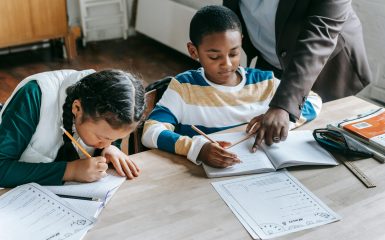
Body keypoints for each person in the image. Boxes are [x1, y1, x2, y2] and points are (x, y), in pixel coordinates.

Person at [141, 5, 322, 168]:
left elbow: (314, 100)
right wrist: (197, 149)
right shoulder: (184, 87)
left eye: (234, 53)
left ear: (241, 42)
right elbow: (151, 131)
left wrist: (280, 122)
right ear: (193, 51)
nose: (227, 64)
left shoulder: (263, 81)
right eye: (214, 57)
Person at [224, 0, 372, 148]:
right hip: (268, 58)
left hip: (325, 68)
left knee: (323, 142)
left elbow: (319, 37)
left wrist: (283, 105)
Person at [0, 69, 145, 187]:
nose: (106, 143)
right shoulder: (33, 95)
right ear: (77, 108)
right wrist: (70, 171)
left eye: (115, 139)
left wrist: (110, 148)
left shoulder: (102, 106)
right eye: (102, 138)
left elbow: (108, 136)